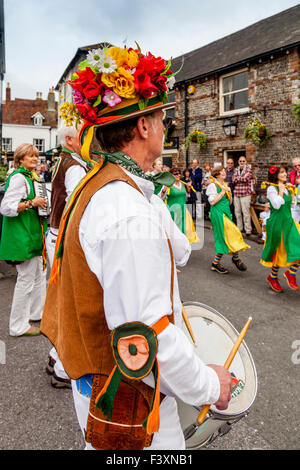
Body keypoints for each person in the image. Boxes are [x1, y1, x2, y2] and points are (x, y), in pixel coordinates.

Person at [41, 43, 232, 451]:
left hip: (96, 382)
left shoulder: (100, 185)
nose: (165, 129)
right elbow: (147, 335)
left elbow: (172, 259)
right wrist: (209, 384)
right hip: (126, 400)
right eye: (161, 119)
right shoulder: (127, 209)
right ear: (144, 126)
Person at [45, 121, 90, 389]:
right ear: (72, 140)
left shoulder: (64, 161)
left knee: (64, 299)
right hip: (63, 237)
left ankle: (54, 357)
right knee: (70, 302)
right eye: (83, 137)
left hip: (56, 234)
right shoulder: (73, 166)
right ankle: (63, 368)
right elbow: (77, 204)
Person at [0, 144, 48, 336]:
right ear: (20, 159)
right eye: (30, 156)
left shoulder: (31, 177)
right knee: (26, 280)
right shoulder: (19, 178)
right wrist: (31, 203)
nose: (35, 159)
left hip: (32, 233)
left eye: (36, 156)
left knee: (38, 276)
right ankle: (17, 326)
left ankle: (37, 312)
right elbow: (5, 207)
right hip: (23, 235)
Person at [260, 165, 300, 293]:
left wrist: (291, 193)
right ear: (276, 175)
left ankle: (291, 273)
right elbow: (276, 205)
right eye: (282, 172)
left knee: (295, 248)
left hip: (289, 222)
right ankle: (273, 277)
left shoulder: (286, 187)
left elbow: (290, 205)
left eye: (285, 172)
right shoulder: (272, 188)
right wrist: (281, 191)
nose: (285, 174)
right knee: (279, 252)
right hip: (278, 223)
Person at [206, 166, 250, 274]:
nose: (224, 173)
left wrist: (229, 193)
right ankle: (235, 258)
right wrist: (222, 192)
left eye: (224, 171)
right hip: (218, 213)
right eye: (221, 172)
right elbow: (212, 202)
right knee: (230, 235)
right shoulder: (213, 185)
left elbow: (229, 203)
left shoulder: (225, 185)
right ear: (216, 174)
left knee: (228, 236)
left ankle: (216, 263)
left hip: (225, 212)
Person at [166, 168, 199, 243]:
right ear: (171, 175)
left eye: (179, 173)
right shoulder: (168, 185)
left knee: (186, 229)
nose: (178, 175)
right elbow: (164, 196)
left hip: (183, 210)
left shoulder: (183, 184)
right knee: (175, 231)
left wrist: (188, 189)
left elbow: (187, 195)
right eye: (175, 174)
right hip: (173, 211)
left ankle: (183, 246)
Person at [232, 156, 253, 237]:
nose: (242, 162)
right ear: (238, 161)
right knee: (237, 212)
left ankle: (248, 230)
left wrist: (238, 178)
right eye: (240, 161)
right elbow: (233, 180)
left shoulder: (249, 169)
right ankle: (239, 228)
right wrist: (241, 178)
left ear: (246, 162)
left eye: (243, 161)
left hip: (245, 194)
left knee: (246, 212)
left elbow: (246, 179)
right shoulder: (236, 169)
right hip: (237, 193)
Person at [289, 157, 300, 223]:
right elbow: (291, 185)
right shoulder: (292, 173)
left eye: (299, 165)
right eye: (295, 166)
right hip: (295, 200)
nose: (297, 167)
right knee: (294, 221)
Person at [225, 158, 236, 223]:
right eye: (228, 163)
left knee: (232, 209)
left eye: (231, 163)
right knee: (226, 208)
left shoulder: (235, 171)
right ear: (226, 163)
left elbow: (235, 181)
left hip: (232, 192)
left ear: (233, 164)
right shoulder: (224, 171)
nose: (230, 164)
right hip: (224, 193)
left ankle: (233, 223)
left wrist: (229, 183)